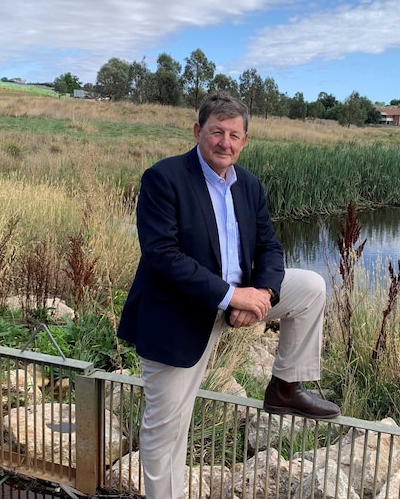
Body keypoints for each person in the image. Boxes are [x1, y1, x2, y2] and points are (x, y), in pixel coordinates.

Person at [117, 91, 340, 499]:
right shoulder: (163, 179)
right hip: (178, 314)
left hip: (238, 299)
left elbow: (269, 247)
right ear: (197, 130)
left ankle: (284, 389)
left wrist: (265, 293)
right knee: (166, 430)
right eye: (217, 131)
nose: (225, 143)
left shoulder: (248, 185)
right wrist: (230, 297)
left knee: (310, 287)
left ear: (245, 140)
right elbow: (162, 257)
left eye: (234, 135)